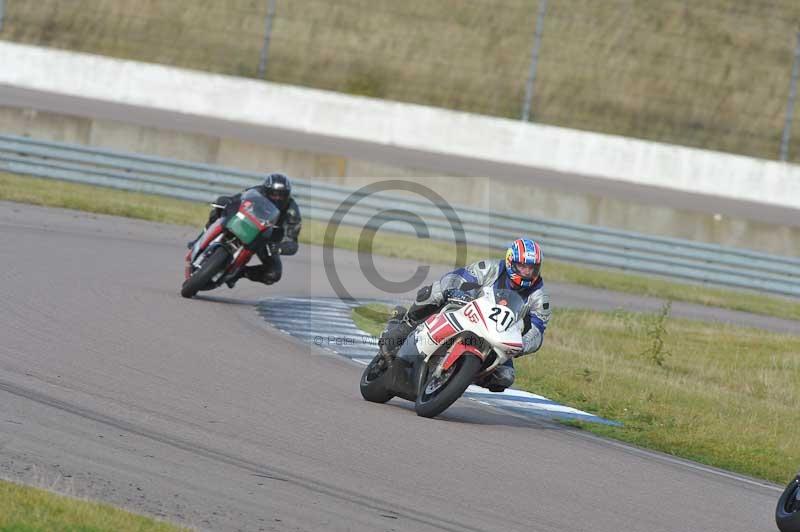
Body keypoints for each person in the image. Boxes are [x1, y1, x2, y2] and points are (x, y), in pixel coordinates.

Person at [378, 238, 551, 393]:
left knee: (505, 376)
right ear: (510, 262)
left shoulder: (539, 297)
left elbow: (537, 330)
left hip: (496, 335)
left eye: (532, 268)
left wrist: (522, 346)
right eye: (523, 266)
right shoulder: (490, 268)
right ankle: (406, 324)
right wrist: (456, 290)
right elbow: (459, 275)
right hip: (465, 312)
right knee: (434, 292)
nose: (527, 272)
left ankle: (459, 376)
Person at [190, 173, 301, 287]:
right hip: (246, 223)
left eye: (281, 195)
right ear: (266, 191)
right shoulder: (256, 191)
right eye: (274, 194)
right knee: (219, 208)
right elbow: (237, 199)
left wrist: (278, 248)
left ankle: (238, 273)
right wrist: (227, 202)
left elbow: (292, 242)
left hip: (265, 239)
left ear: (287, 195)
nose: (277, 198)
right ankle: (199, 239)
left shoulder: (291, 211)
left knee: (273, 274)